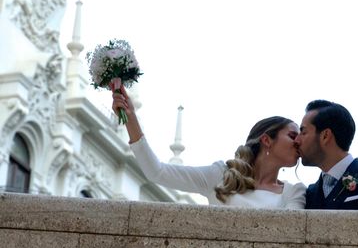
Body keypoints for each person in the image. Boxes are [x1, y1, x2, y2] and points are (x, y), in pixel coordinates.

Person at [111, 87, 306, 208]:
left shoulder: (293, 192)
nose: (298, 142)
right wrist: (131, 119)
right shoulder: (222, 176)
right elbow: (157, 172)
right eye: (292, 135)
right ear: (267, 140)